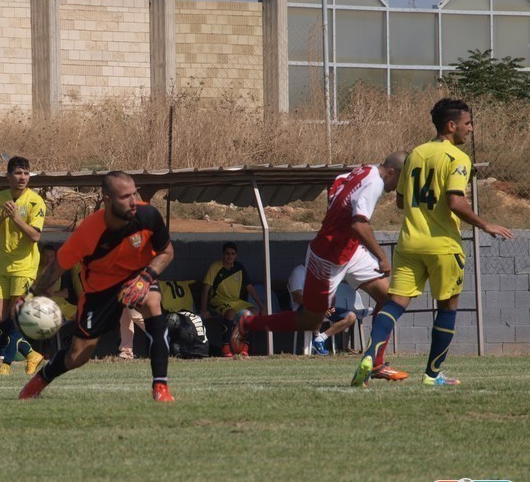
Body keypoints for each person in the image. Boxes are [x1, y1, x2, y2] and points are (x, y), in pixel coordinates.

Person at [352, 99, 513, 387]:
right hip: (442, 246)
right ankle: (432, 375)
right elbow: (455, 201)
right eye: (467, 124)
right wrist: (485, 224)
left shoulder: (414, 155)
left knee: (395, 304)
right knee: (447, 308)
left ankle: (370, 355)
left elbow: (401, 201)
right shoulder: (457, 158)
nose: (470, 129)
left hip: (410, 244)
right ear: (451, 126)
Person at [232, 152, 410, 381]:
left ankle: (375, 363)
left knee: (391, 300)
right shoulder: (375, 182)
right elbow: (359, 224)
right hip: (328, 258)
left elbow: (337, 185)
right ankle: (249, 322)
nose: (400, 186)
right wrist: (382, 257)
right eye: (402, 180)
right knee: (310, 321)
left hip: (350, 250)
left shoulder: (365, 170)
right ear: (393, 172)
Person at [18, 170, 176, 402]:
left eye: (134, 194)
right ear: (107, 200)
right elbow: (55, 269)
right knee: (78, 357)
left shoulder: (148, 215)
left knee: (152, 302)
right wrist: (30, 294)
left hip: (136, 277)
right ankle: (39, 380)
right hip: (99, 292)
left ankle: (160, 387)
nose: (133, 201)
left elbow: (167, 252)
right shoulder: (87, 233)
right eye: (125, 197)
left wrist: (147, 277)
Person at [0, 156, 45, 376]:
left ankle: (6, 364)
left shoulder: (36, 201)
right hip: (2, 267)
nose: (23, 177)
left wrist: (16, 218)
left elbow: (35, 236)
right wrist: (2, 218)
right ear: (8, 176)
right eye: (18, 173)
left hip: (25, 267)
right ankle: (31, 355)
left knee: (15, 315)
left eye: (26, 173)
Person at [200, 242, 267, 357]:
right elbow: (205, 289)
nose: (229, 256)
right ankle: (226, 348)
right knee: (230, 313)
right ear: (222, 255)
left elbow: (250, 288)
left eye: (232, 254)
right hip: (218, 301)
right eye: (227, 254)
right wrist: (204, 310)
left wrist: (262, 306)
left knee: (254, 312)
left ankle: (244, 348)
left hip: (235, 301)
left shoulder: (239, 267)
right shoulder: (215, 267)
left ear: (236, 255)